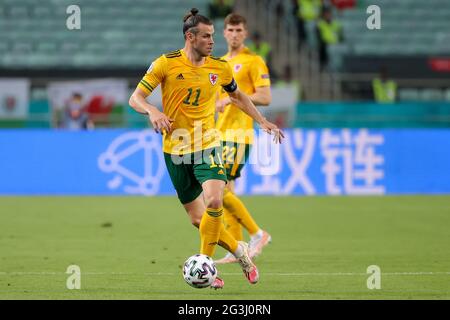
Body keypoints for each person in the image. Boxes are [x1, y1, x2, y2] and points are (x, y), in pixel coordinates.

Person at [129, 8, 284, 289]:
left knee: (215, 200)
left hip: (207, 144)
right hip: (175, 149)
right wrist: (151, 111)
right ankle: (240, 251)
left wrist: (262, 121)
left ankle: (205, 264)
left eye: (213, 36)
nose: (212, 42)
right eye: (207, 36)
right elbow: (136, 98)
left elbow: (238, 96)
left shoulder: (219, 67)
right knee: (197, 219)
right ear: (190, 37)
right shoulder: (165, 64)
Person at [214, 13, 273, 264]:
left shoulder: (254, 61)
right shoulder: (219, 63)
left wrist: (233, 97)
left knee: (218, 191)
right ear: (224, 33)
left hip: (239, 135)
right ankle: (237, 249)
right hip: (219, 134)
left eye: (239, 30)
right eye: (231, 30)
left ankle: (258, 234)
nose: (235, 35)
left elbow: (265, 96)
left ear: (245, 33)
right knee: (226, 191)